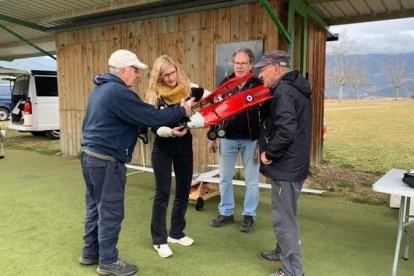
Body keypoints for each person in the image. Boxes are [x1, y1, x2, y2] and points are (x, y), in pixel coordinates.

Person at [79, 49, 192, 276]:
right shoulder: (119, 92)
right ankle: (108, 261)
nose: (138, 75)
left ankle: (90, 252)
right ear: (123, 71)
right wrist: (182, 110)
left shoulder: (101, 89)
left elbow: (114, 120)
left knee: (95, 207)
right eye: (135, 70)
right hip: (106, 161)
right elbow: (152, 116)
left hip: (90, 156)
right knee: (110, 211)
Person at [254, 50, 312, 276]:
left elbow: (286, 131)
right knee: (286, 214)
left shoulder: (283, 91)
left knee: (284, 219)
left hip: (286, 166)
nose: (260, 74)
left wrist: (269, 154)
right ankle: (282, 251)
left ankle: (292, 271)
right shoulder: (294, 88)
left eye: (263, 69)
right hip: (293, 163)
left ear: (277, 68)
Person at [145, 54, 209, 258]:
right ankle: (159, 240)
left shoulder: (189, 88)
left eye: (173, 73)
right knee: (162, 193)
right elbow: (154, 127)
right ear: (159, 77)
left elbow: (214, 97)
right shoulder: (154, 96)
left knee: (183, 190)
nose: (172, 78)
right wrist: (170, 131)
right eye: (166, 75)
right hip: (163, 146)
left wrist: (193, 115)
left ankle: (176, 232)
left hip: (184, 146)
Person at [208, 48, 262, 233]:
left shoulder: (258, 84)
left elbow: (266, 115)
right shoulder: (225, 84)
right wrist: (213, 136)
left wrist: (262, 142)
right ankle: (226, 213)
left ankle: (249, 215)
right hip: (227, 139)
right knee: (224, 179)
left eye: (243, 63)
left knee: (252, 182)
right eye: (237, 63)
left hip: (251, 140)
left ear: (251, 65)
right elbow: (216, 110)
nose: (239, 66)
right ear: (233, 63)